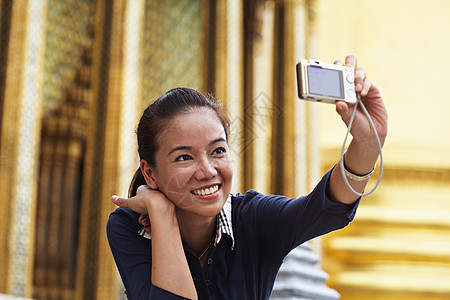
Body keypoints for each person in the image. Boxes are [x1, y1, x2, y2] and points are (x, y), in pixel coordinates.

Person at [106, 55, 388, 299]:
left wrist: (367, 141)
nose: (207, 171)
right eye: (184, 157)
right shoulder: (129, 228)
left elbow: (325, 209)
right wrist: (161, 214)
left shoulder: (254, 218)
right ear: (149, 173)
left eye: (217, 150)